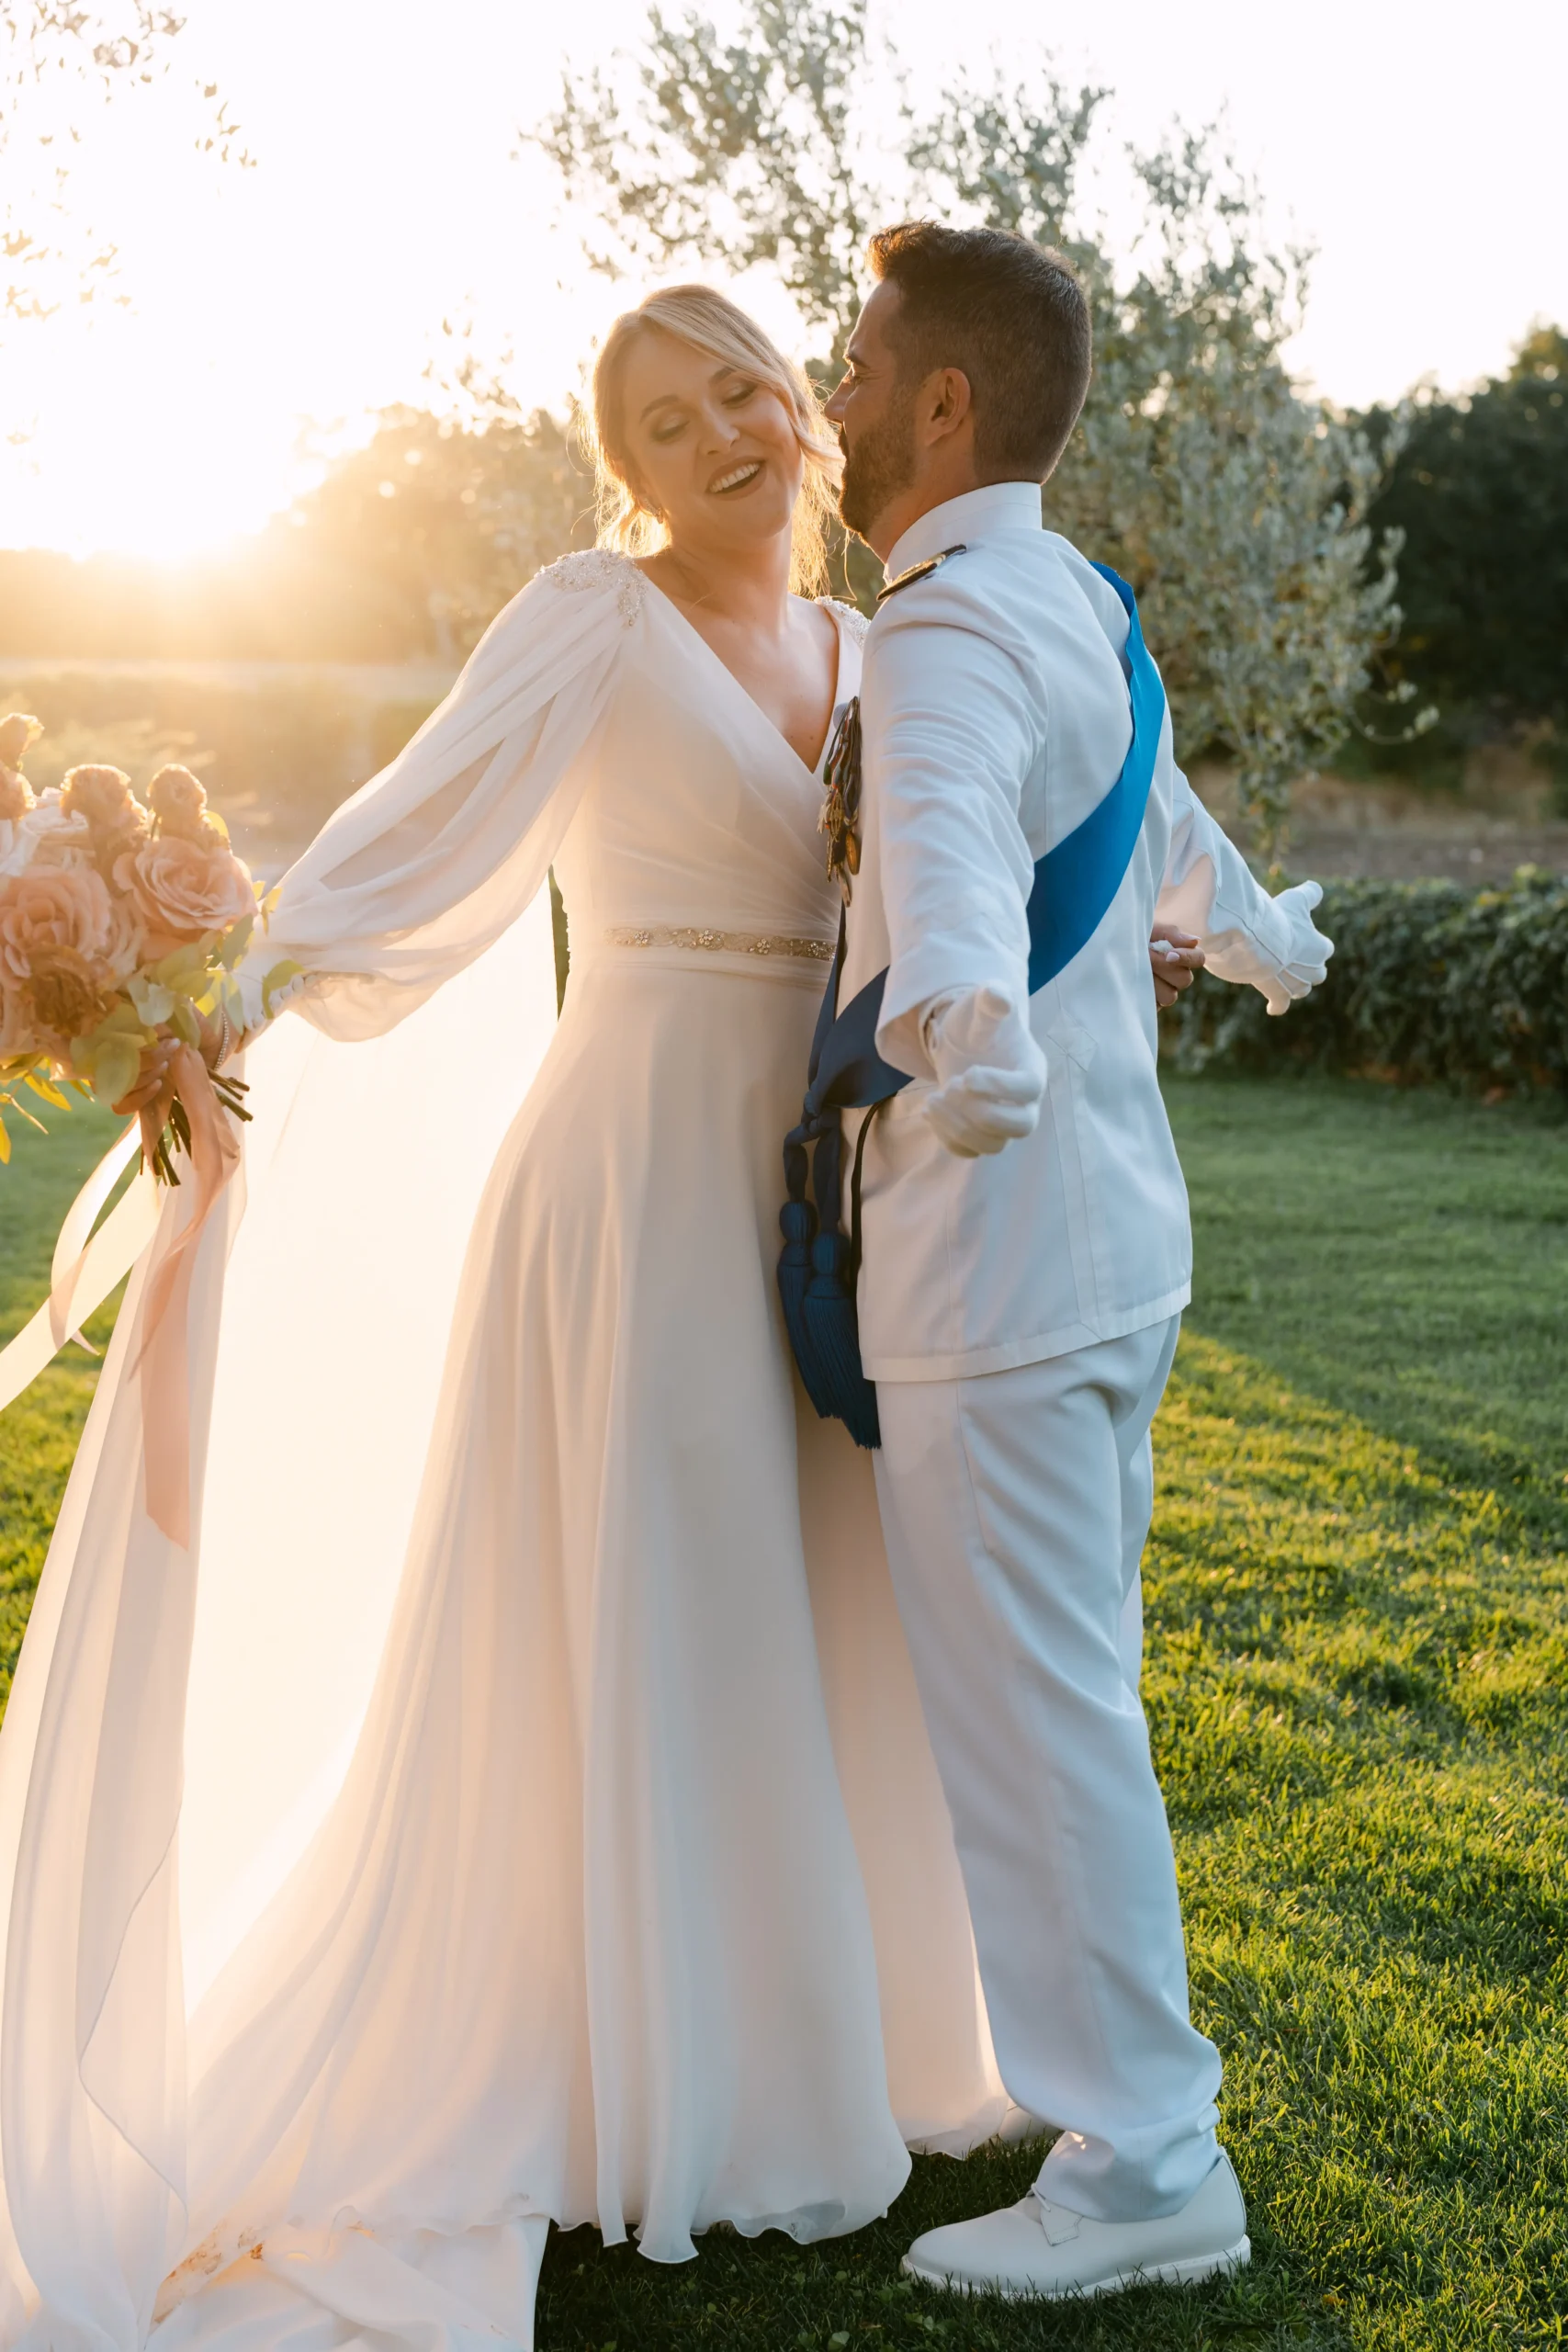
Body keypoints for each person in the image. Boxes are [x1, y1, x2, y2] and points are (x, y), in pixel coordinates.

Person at [0, 287, 1010, 2352]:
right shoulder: (588, 615)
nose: (717, 430)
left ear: (806, 415)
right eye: (662, 419)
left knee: (822, 1596)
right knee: (667, 1601)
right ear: (625, 474)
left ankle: (857, 2035)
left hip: (818, 1193)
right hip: (630, 1179)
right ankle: (667, 2086)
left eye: (740, 385)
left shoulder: (878, 640)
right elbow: (412, 841)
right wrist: (222, 1006)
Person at [814, 220, 1334, 2300]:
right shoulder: (1076, 595)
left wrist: (964, 1028)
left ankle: (1141, 2161)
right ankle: (1108, 2092)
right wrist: (1274, 938)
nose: (836, 396)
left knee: (1042, 1734)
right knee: (1076, 1704)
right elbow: (1173, 831)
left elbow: (939, 866)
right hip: (1114, 1260)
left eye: (855, 363)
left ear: (942, 402)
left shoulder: (935, 628)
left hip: (997, 1263)